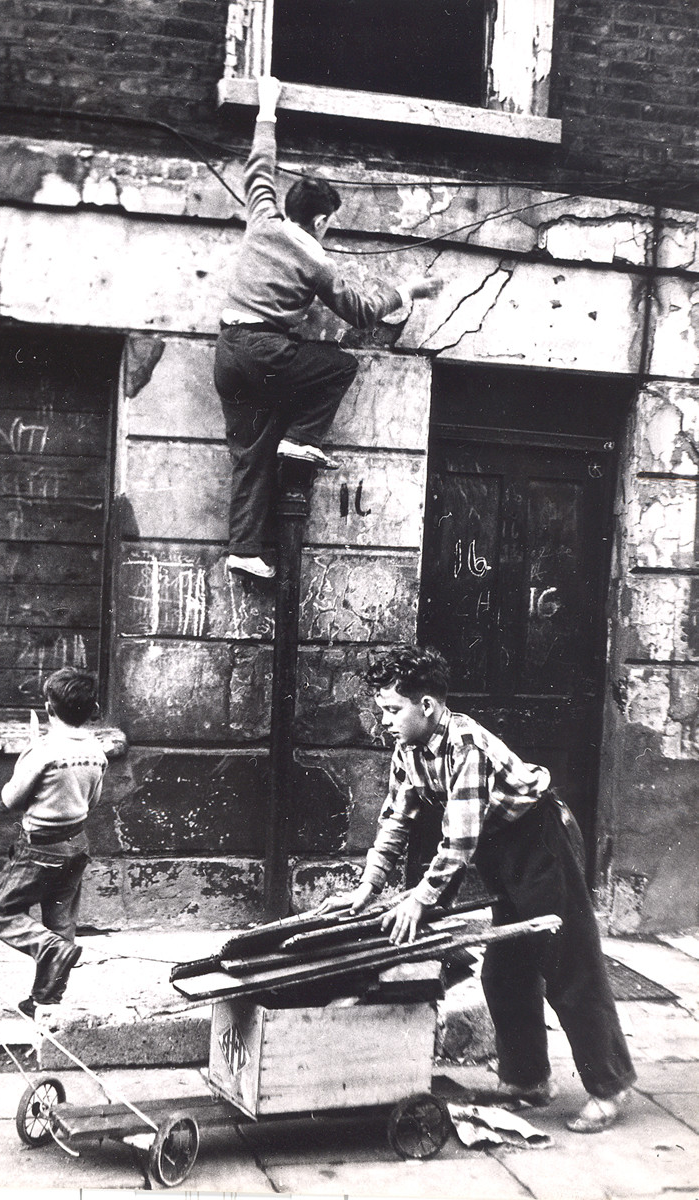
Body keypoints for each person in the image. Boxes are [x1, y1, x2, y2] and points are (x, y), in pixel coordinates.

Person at [322, 643, 636, 1134]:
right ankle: (528, 1081)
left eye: (391, 710)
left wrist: (421, 898)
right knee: (505, 970)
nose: (384, 721)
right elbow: (395, 820)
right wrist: (368, 885)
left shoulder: (465, 746)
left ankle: (610, 1085)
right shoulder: (409, 748)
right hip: (500, 848)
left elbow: (459, 840)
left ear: (426, 706)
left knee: (567, 963)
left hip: (539, 840)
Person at [214, 75, 442, 580]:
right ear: (318, 222)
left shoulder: (262, 217)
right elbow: (361, 311)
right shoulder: (315, 259)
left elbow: (260, 165)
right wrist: (408, 291)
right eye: (328, 222)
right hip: (264, 349)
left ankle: (245, 549)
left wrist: (267, 108)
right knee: (338, 365)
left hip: (227, 351)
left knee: (251, 454)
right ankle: (300, 438)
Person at [0, 667, 107, 1023]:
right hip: (76, 843)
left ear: (49, 709)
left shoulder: (43, 751)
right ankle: (44, 1002)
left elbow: (10, 799)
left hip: (39, 848)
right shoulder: (98, 751)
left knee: (2, 914)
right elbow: (93, 801)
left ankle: (51, 950)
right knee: (61, 922)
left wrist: (28, 752)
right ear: (92, 708)